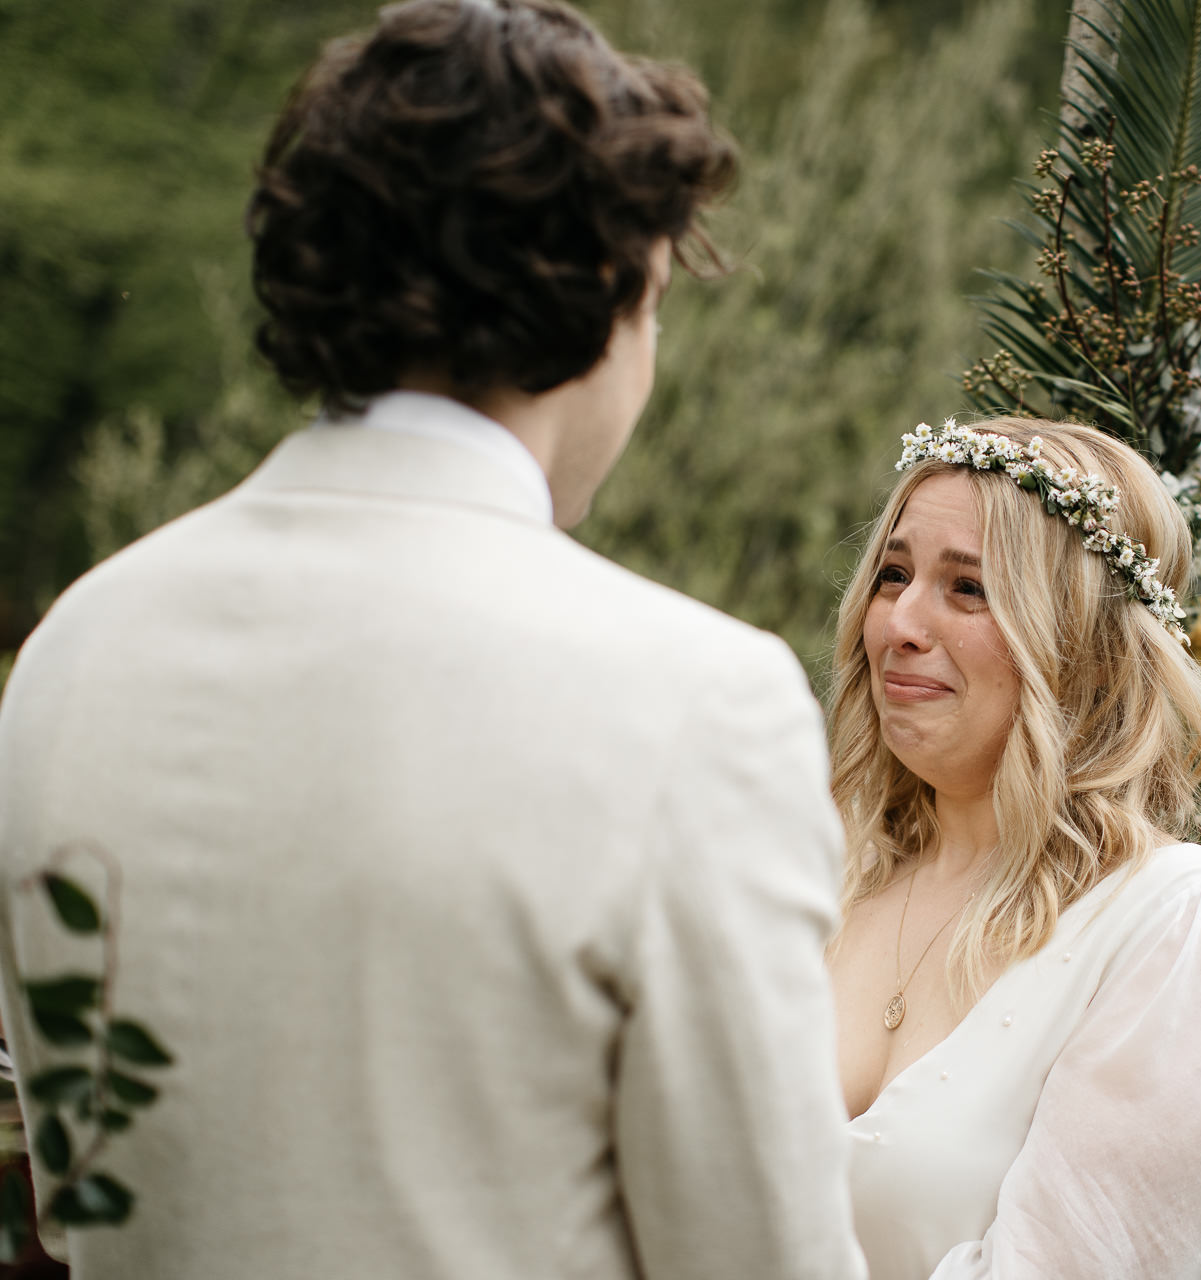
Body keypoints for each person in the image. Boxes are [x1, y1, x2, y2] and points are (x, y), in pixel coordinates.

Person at [0, 3, 865, 1277]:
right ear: (612, 292)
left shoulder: (78, 646)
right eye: (662, 299)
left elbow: (81, 1200)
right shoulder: (697, 700)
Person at [825, 416, 1201, 1280]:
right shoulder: (821, 871)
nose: (899, 621)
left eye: (967, 589)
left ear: (1078, 641)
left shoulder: (1179, 924)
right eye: (892, 575)